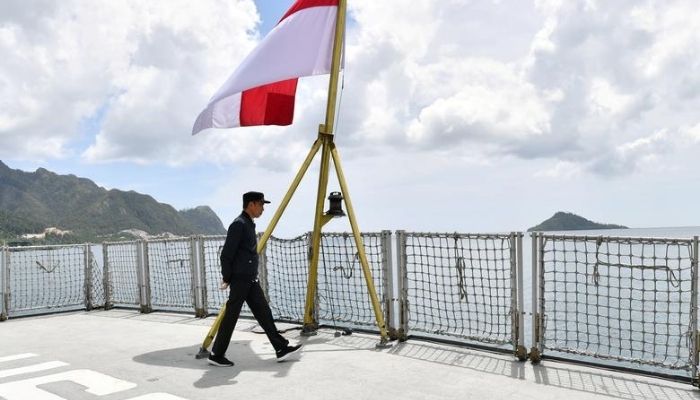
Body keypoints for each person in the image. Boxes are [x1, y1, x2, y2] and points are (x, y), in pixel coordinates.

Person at [208, 191, 301, 367]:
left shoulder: (248, 224)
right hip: (241, 280)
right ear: (251, 204)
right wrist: (227, 277)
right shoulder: (239, 224)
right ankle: (216, 354)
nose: (263, 208)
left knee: (264, 313)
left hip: (250, 279)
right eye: (261, 204)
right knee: (231, 316)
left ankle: (280, 348)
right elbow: (226, 254)